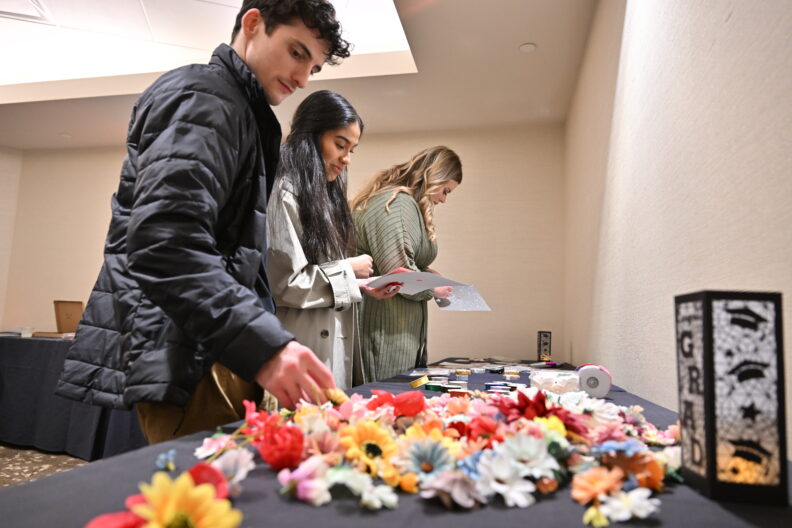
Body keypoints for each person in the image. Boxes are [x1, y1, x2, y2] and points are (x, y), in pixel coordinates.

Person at [55, 0, 350, 444]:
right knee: (204, 486)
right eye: (297, 52)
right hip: (195, 352)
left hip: (214, 344)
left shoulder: (239, 109)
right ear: (253, 23)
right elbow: (165, 245)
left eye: (314, 67)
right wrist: (265, 347)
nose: (304, 78)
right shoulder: (204, 97)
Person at [266, 90, 398, 390]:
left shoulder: (324, 196)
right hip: (302, 343)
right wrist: (348, 269)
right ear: (311, 137)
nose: (346, 159)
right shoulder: (284, 192)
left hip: (328, 342)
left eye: (352, 149)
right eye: (340, 145)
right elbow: (285, 284)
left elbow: (321, 274)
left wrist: (361, 284)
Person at [350, 146, 463, 382]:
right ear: (434, 177)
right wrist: (434, 288)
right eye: (445, 190)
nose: (444, 199)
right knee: (385, 397)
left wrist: (427, 272)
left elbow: (398, 260)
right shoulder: (397, 204)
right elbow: (396, 272)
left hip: (399, 327)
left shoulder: (404, 203)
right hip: (385, 326)